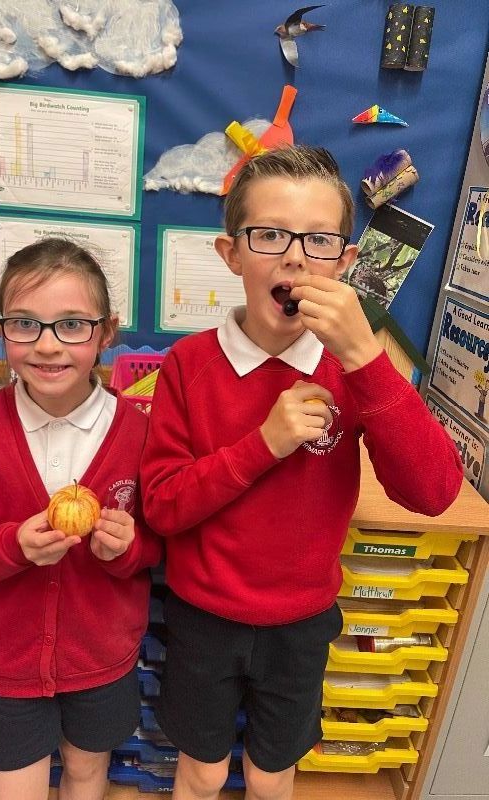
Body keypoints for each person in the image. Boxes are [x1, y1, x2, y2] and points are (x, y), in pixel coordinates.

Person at [140, 146, 463, 800]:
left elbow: (433, 493)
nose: (294, 257)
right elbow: (164, 507)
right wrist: (264, 443)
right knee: (202, 772)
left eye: (318, 240)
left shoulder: (355, 366)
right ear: (232, 254)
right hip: (204, 617)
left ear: (346, 261)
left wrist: (365, 356)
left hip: (301, 622)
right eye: (269, 235)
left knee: (270, 776)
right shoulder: (188, 366)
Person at [0, 237, 162, 800]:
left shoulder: (140, 432)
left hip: (102, 656)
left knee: (86, 772)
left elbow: (160, 545)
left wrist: (126, 548)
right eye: (25, 324)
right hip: (11, 661)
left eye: (72, 325)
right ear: (1, 331)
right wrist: (13, 547)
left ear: (106, 332)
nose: (48, 344)